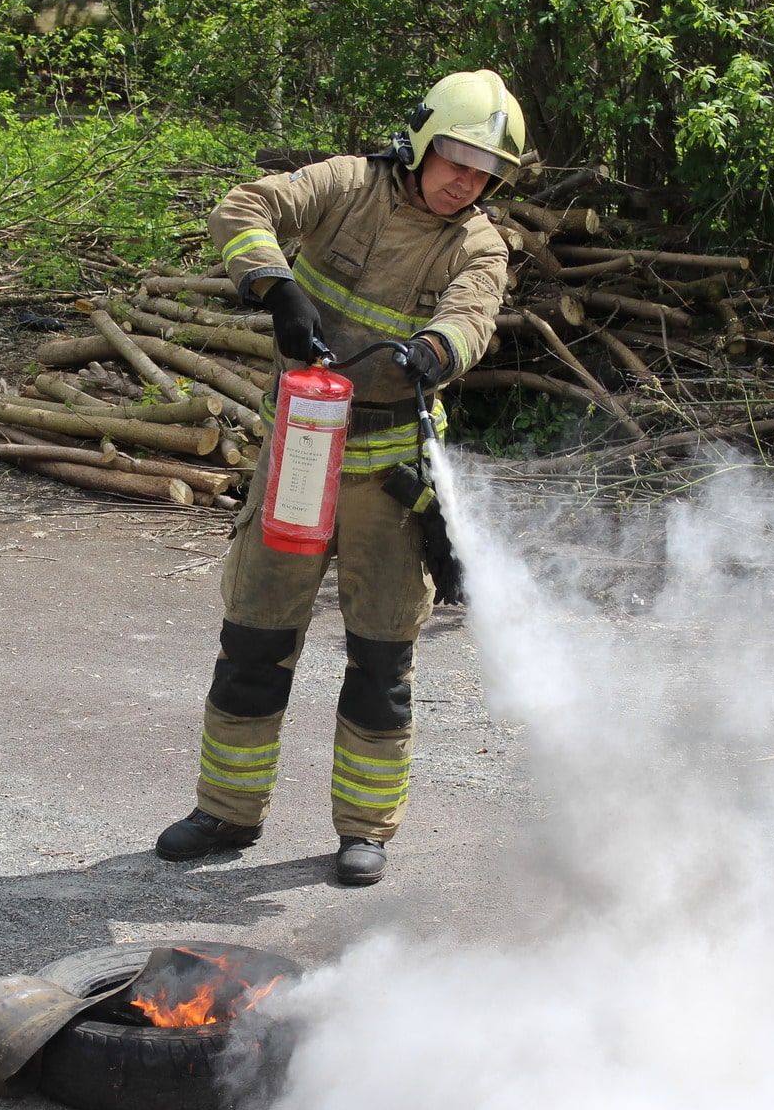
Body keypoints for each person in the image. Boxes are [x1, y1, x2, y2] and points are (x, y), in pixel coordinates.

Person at [156, 69, 521, 886]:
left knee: (381, 655)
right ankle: (226, 810)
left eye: (483, 172)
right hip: (299, 452)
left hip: (390, 474)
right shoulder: (346, 183)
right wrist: (273, 282)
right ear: (424, 141)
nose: (465, 180)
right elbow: (244, 208)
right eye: (456, 157)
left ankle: (365, 829)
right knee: (255, 636)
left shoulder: (479, 242)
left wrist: (434, 350)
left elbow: (473, 315)